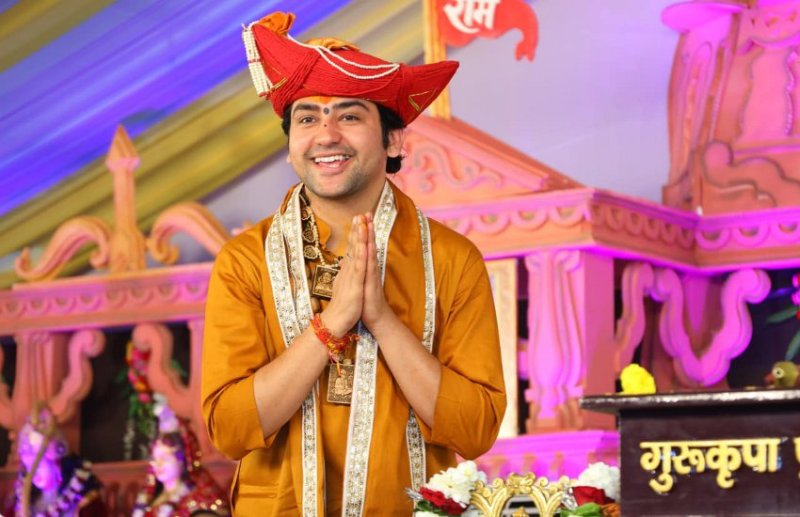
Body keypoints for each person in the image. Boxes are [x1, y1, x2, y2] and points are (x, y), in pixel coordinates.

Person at [201, 10, 507, 515]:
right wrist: (331, 326)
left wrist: (382, 320)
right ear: (290, 147)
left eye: (348, 116)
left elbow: (475, 430)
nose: (325, 135)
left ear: (393, 140)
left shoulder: (452, 259)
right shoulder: (245, 261)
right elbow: (230, 430)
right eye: (307, 118)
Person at [132, 396, 229, 517]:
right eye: (155, 459)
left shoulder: (202, 497)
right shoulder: (148, 497)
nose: (158, 464)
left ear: (182, 459)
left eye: (165, 458)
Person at [10, 404, 106, 517]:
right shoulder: (26, 499)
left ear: (55, 461)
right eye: (28, 467)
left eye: (38, 467)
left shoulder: (83, 496)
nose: (33, 474)